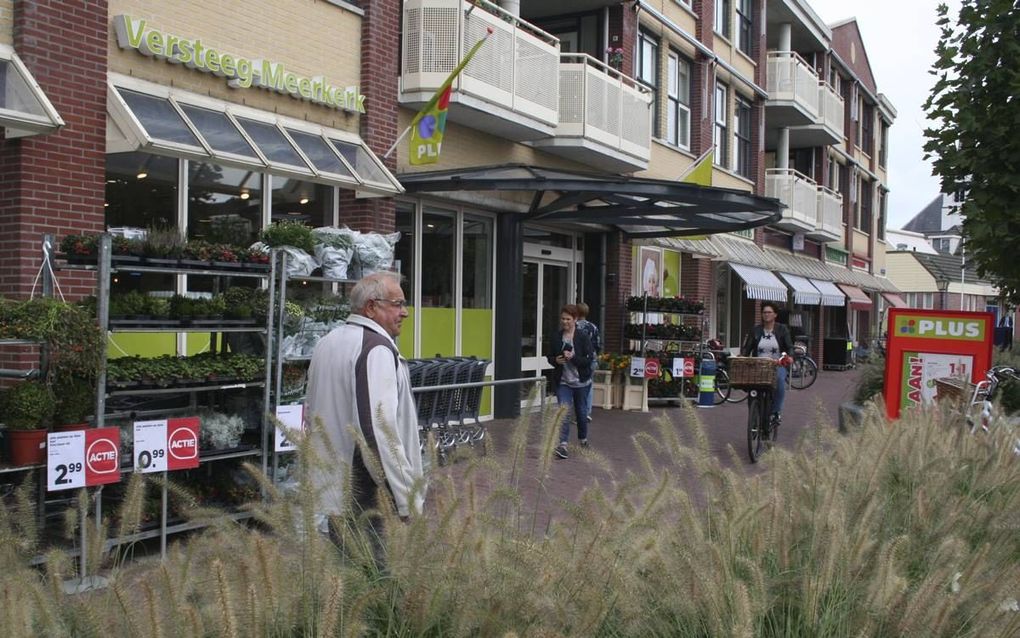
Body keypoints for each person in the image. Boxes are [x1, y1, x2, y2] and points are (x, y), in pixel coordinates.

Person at [305, 271, 425, 559]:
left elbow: (311, 410)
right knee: (378, 584)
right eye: (397, 303)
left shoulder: (328, 342)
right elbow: (378, 431)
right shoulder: (375, 350)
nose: (405, 312)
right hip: (368, 493)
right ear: (371, 307)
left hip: (334, 488)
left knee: (348, 581)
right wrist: (404, 497)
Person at [547, 304, 594, 459]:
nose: (565, 322)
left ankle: (583, 439)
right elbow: (549, 357)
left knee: (581, 413)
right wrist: (556, 360)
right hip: (563, 382)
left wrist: (572, 358)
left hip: (581, 382)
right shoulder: (556, 336)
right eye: (563, 319)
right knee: (564, 412)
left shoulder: (582, 337)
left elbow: (588, 360)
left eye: (568, 319)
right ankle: (563, 445)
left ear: (575, 319)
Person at [740, 301, 794, 423]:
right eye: (764, 312)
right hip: (758, 365)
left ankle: (775, 412)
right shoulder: (756, 330)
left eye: (769, 312)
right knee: (752, 387)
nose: (766, 315)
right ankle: (754, 414)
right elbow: (747, 348)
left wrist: (790, 356)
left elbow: (789, 346)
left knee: (779, 380)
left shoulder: (782, 329)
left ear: (775, 315)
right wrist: (742, 356)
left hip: (776, 365)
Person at [575, 302, 601, 424]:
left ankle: (578, 412)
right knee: (588, 384)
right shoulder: (593, 327)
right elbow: (598, 344)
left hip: (577, 359)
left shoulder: (574, 326)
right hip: (591, 359)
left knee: (576, 383)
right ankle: (587, 411)